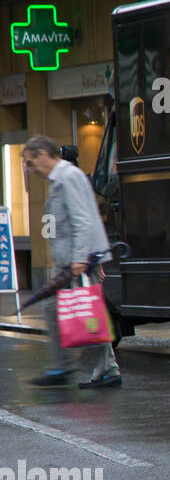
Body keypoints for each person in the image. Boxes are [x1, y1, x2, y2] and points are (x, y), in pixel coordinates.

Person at [21, 136, 122, 388]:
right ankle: (101, 369)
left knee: (81, 311)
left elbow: (83, 220)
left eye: (31, 164)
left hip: (76, 261)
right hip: (71, 260)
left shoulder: (68, 177)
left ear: (44, 153)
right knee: (84, 311)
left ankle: (66, 368)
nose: (32, 171)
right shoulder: (60, 179)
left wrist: (80, 258)